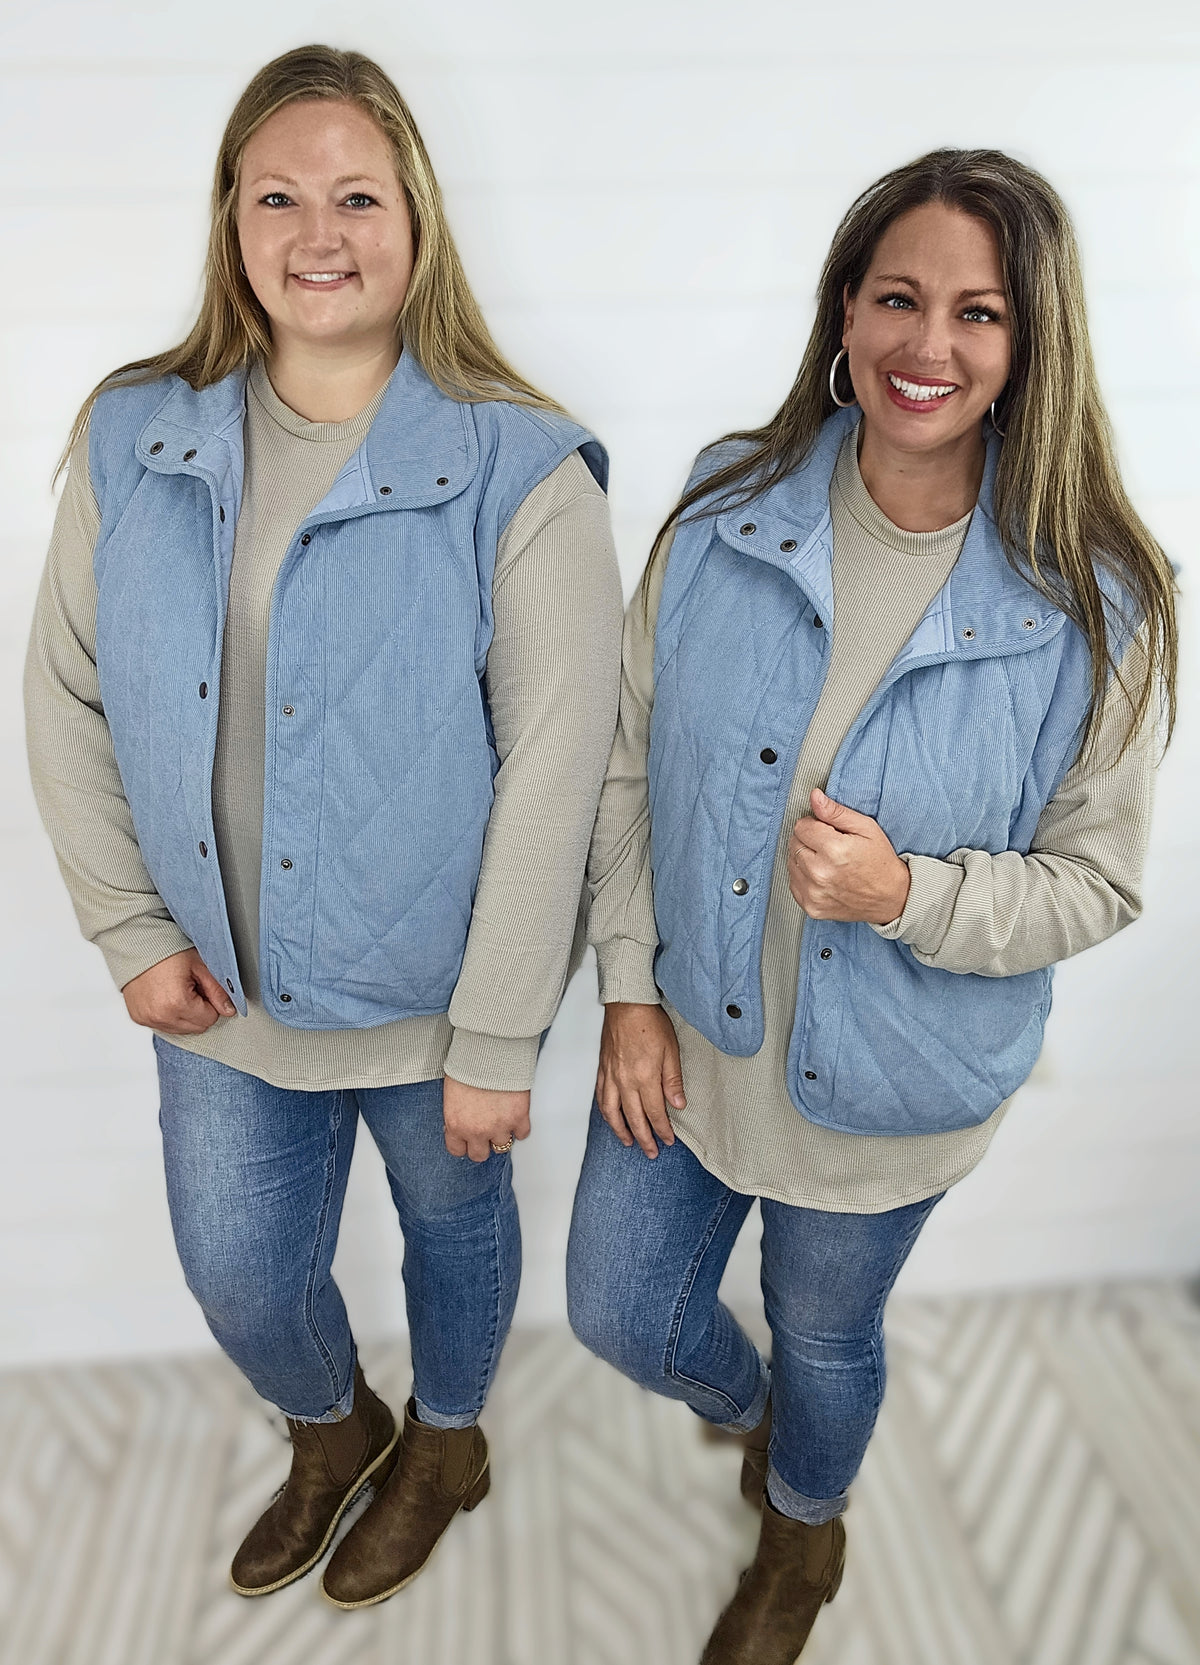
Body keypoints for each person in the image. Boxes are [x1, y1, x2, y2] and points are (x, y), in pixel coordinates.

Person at [25, 44, 622, 1610]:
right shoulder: (131, 435)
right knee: (239, 1269)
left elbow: (563, 762)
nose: (318, 231)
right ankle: (332, 1424)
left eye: (357, 194)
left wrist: (498, 1033)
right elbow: (64, 694)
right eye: (277, 194)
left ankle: (448, 1439)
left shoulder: (522, 466)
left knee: (455, 1238)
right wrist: (131, 930)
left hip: (440, 1009)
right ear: (230, 220)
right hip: (216, 993)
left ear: (416, 221)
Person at [568, 148, 1177, 1664]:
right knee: (616, 1306)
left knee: (830, 1331)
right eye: (898, 296)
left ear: (1028, 346)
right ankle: (757, 1421)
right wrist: (631, 989)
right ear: (844, 310)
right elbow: (629, 760)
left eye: (978, 313)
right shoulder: (723, 505)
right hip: (693, 1040)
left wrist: (912, 893)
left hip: (893, 1085)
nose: (930, 344)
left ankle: (803, 1525)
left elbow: (1097, 881)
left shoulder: (1102, 603)